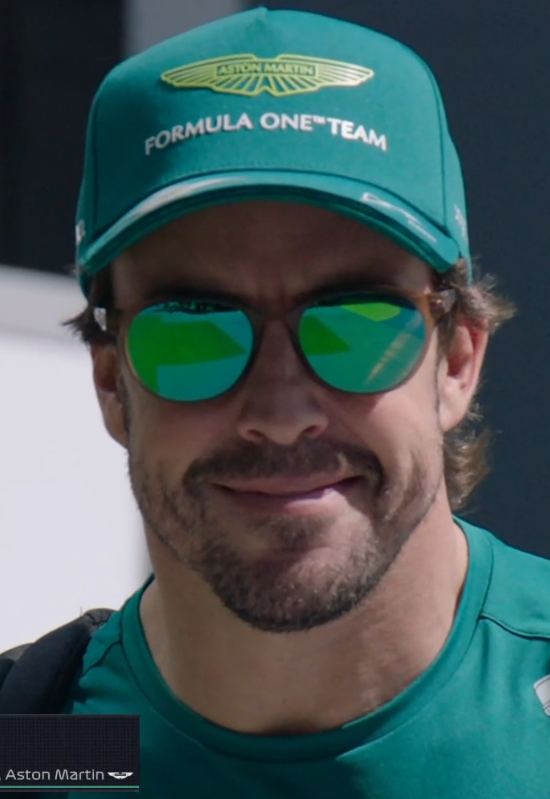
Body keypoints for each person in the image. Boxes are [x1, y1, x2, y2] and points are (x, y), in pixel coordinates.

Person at [11, 6, 550, 797]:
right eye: (193, 331)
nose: (281, 410)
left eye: (357, 327)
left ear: (457, 361)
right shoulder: (41, 749)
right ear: (110, 381)